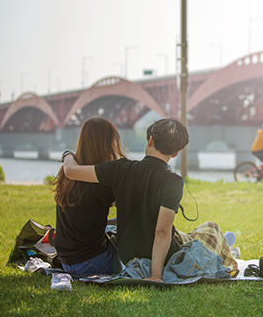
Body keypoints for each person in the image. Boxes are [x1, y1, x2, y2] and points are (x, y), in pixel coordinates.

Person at [62, 118, 188, 282]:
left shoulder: (120, 169)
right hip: (157, 258)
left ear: (150, 140)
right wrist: (156, 276)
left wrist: (67, 154)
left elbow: (71, 171)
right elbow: (162, 232)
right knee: (202, 233)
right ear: (175, 152)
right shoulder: (174, 182)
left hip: (125, 257)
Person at [53, 117, 126, 277]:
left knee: (110, 228)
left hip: (66, 260)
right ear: (106, 143)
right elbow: (127, 209)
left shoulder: (68, 170)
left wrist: (67, 154)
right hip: (90, 263)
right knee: (132, 248)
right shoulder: (101, 181)